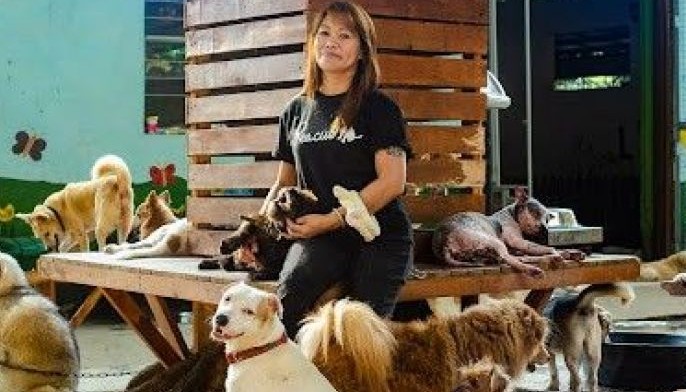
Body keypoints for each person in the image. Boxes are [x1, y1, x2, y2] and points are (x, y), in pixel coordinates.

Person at [255, 0, 414, 338]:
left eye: (345, 36)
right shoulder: (295, 110)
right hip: (320, 236)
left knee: (360, 330)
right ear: (312, 44)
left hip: (379, 233)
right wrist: (259, 230)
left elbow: (392, 182)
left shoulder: (379, 108)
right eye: (324, 33)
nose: (331, 42)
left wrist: (332, 220)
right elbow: (283, 181)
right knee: (289, 301)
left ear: (362, 51)